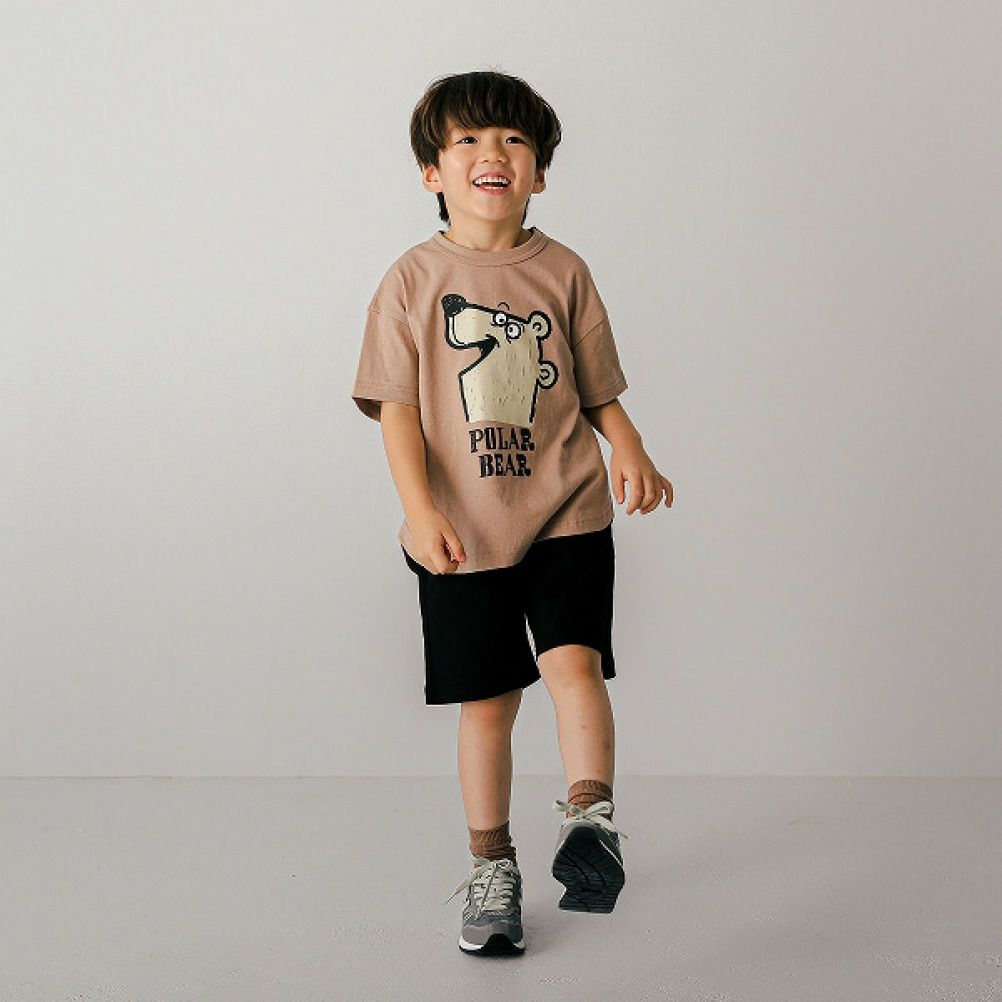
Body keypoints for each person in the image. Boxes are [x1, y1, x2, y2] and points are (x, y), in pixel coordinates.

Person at [351, 69, 673, 956]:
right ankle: (492, 869)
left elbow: (597, 389)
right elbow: (397, 409)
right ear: (432, 172)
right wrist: (419, 509)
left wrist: (630, 448)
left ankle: (590, 821)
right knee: (489, 706)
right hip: (462, 530)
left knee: (575, 667)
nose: (493, 153)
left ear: (539, 173)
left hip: (567, 509)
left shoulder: (564, 271)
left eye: (514, 141)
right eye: (468, 140)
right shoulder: (413, 280)